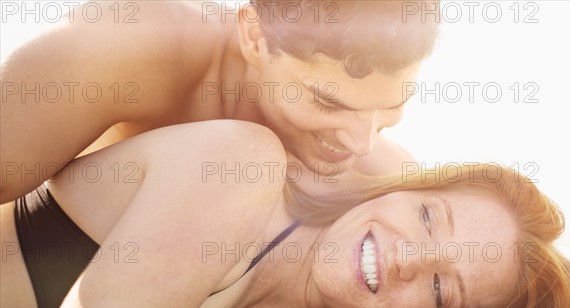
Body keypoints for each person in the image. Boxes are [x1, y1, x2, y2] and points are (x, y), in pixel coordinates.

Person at [0, 120, 570, 308]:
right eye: (429, 217)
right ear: (399, 186)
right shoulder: (240, 169)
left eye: (440, 288)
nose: (408, 258)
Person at [0, 0, 440, 203]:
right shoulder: (128, 47)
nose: (361, 142)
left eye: (390, 104)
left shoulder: (380, 174)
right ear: (254, 37)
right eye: (329, 102)